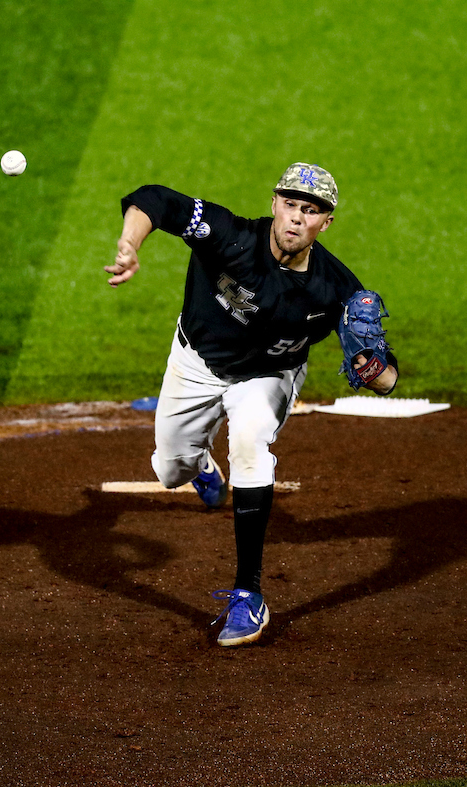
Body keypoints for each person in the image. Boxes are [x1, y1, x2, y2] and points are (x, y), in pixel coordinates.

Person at [103, 163, 398, 646]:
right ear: (274, 204)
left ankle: (249, 595)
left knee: (248, 440)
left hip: (267, 376)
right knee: (170, 471)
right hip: (196, 362)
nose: (297, 218)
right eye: (290, 205)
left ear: (326, 222)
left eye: (311, 210)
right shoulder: (230, 236)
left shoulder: (337, 290)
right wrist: (131, 243)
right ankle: (201, 467)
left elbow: (387, 381)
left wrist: (372, 366)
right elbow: (156, 199)